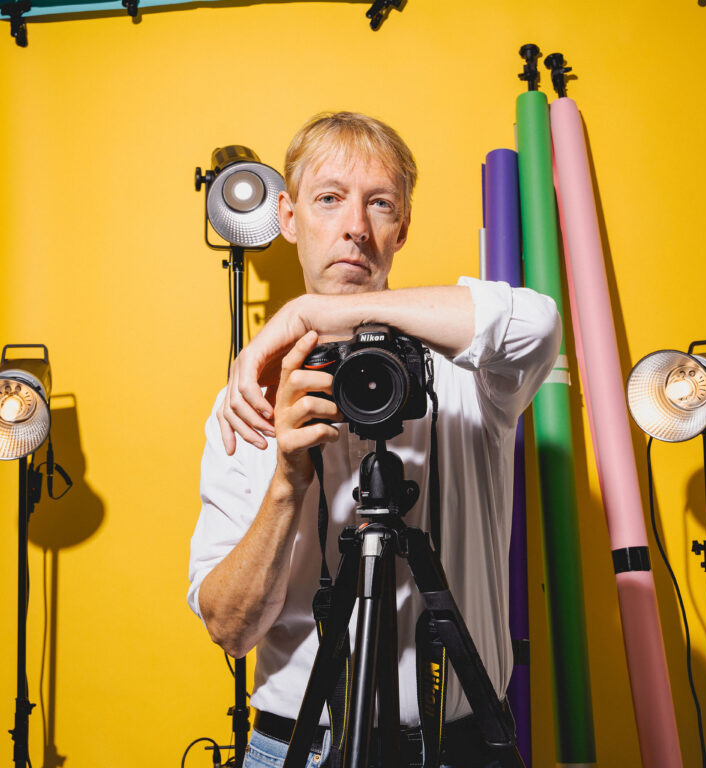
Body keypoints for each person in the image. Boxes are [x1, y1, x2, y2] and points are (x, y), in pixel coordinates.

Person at [188, 112, 561, 768]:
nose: (355, 227)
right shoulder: (251, 400)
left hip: (458, 744)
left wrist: (310, 312)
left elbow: (539, 321)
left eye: (379, 203)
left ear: (402, 227)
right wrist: (286, 483)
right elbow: (229, 628)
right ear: (287, 217)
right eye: (329, 199)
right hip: (300, 746)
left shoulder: (466, 370)